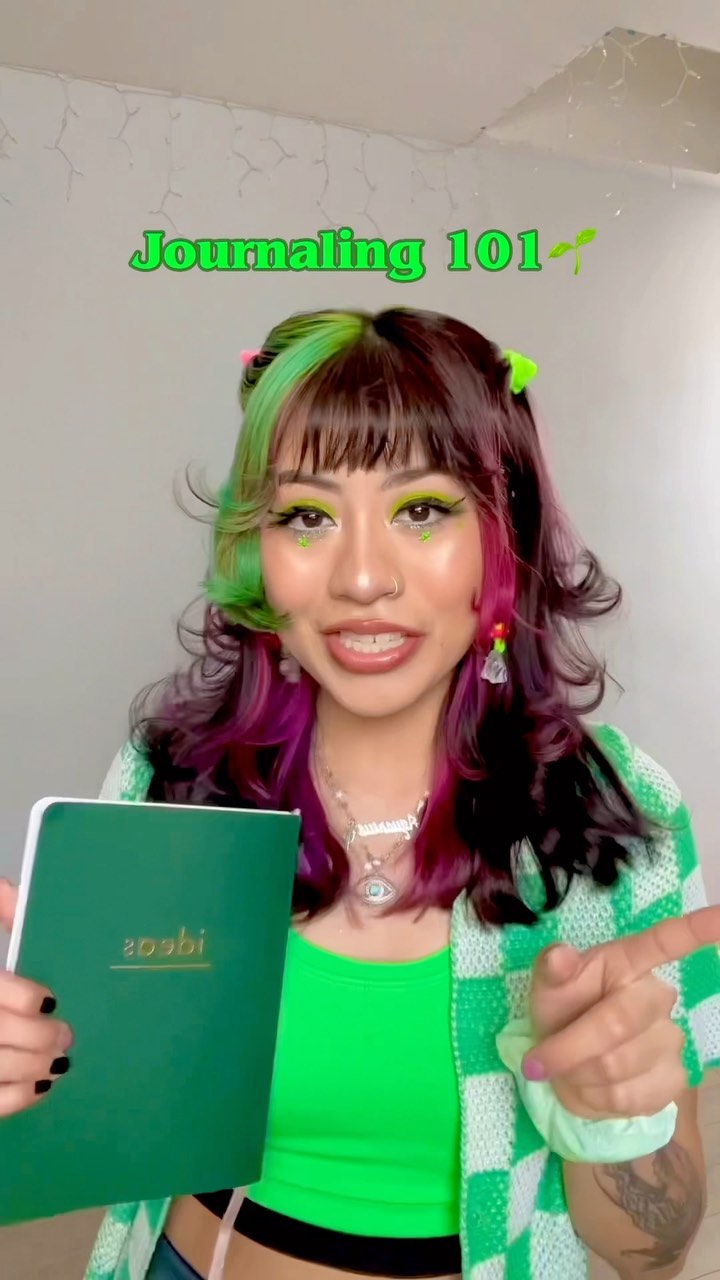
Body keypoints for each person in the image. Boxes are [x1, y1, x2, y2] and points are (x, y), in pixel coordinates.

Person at [1, 305, 719, 1280]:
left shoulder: (617, 818)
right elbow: (99, 1108)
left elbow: (653, 1251)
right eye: (307, 516)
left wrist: (612, 1118)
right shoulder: (171, 781)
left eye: (422, 509)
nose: (364, 577)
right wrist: (33, 1063)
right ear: (258, 550)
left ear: (503, 535)